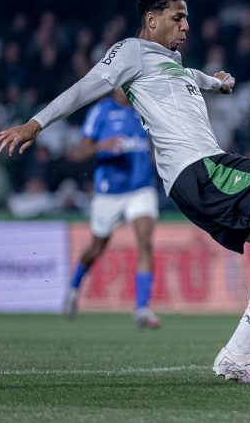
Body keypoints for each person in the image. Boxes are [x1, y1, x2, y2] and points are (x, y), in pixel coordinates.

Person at [0, 0, 250, 384]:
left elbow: (192, 76)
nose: (186, 25)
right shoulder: (132, 52)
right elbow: (86, 87)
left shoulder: (170, 63)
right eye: (177, 17)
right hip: (204, 169)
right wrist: (36, 124)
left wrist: (218, 82)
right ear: (151, 20)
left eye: (186, 17)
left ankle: (237, 354)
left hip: (191, 185)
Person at [62, 88, 161, 329]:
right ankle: (74, 288)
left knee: (145, 241)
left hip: (141, 188)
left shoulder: (144, 108)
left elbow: (152, 146)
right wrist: (101, 146)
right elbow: (78, 153)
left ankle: (142, 309)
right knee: (96, 247)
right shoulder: (101, 111)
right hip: (109, 192)